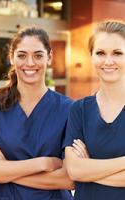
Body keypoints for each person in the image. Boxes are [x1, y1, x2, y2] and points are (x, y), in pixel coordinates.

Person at [0, 26, 74, 200]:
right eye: (22, 55)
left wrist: (5, 168)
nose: (30, 63)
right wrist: (43, 163)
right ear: (11, 57)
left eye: (38, 55)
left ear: (50, 57)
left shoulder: (68, 110)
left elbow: (69, 179)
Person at [64, 21, 125, 200]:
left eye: (117, 53)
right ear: (91, 56)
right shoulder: (79, 109)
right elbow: (74, 170)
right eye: (100, 53)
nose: (108, 61)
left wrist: (89, 167)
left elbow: (82, 171)